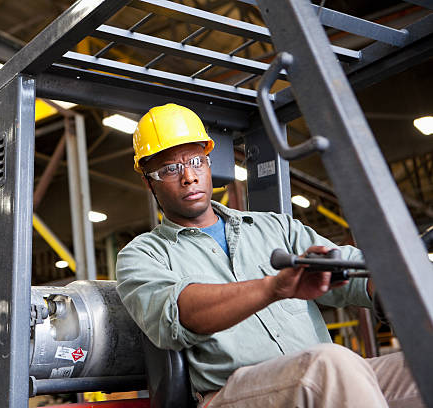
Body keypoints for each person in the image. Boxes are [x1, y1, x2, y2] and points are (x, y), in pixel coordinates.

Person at [115, 103, 423, 408]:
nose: (189, 177)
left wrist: (393, 283)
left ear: (209, 163)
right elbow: (178, 316)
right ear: (148, 181)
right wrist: (274, 287)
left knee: (421, 365)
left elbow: (349, 267)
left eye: (196, 160)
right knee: (329, 364)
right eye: (170, 169)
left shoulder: (275, 227)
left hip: (321, 377)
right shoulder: (142, 256)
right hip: (231, 393)